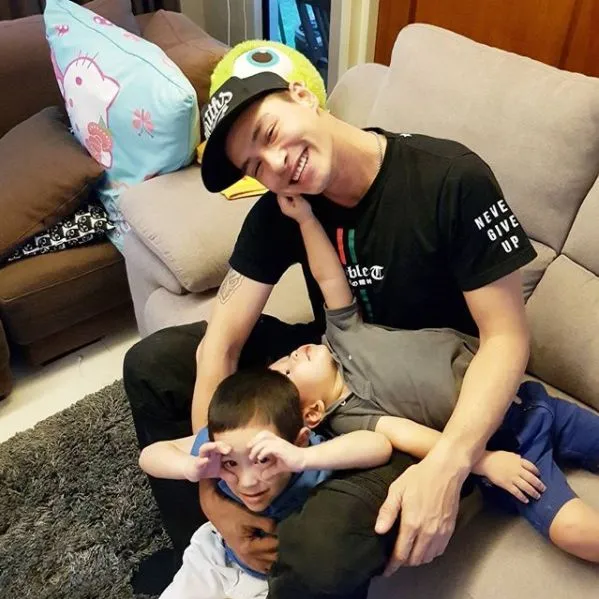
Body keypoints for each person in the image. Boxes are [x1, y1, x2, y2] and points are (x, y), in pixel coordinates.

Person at [124, 43, 537, 597]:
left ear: (303, 96)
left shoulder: (450, 179)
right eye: (256, 166)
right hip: (333, 365)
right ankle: (211, 548)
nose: (276, 165)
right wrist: (215, 496)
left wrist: (450, 464)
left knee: (318, 555)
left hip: (418, 405)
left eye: (270, 133)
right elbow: (220, 343)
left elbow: (506, 338)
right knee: (155, 363)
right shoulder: (284, 208)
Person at [265, 193, 599, 563]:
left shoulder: (342, 333)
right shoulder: (349, 415)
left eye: (286, 357)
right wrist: (487, 462)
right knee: (570, 528)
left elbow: (327, 276)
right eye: (289, 371)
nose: (295, 354)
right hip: (508, 447)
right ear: (313, 412)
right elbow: (416, 438)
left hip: (531, 400)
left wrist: (306, 220)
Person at [139, 367, 392, 599]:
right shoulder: (220, 444)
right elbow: (149, 455)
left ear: (299, 441)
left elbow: (378, 445)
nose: (247, 482)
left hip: (277, 582)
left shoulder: (311, 457)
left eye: (263, 459)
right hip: (218, 555)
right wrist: (190, 468)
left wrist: (304, 458)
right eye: (231, 463)